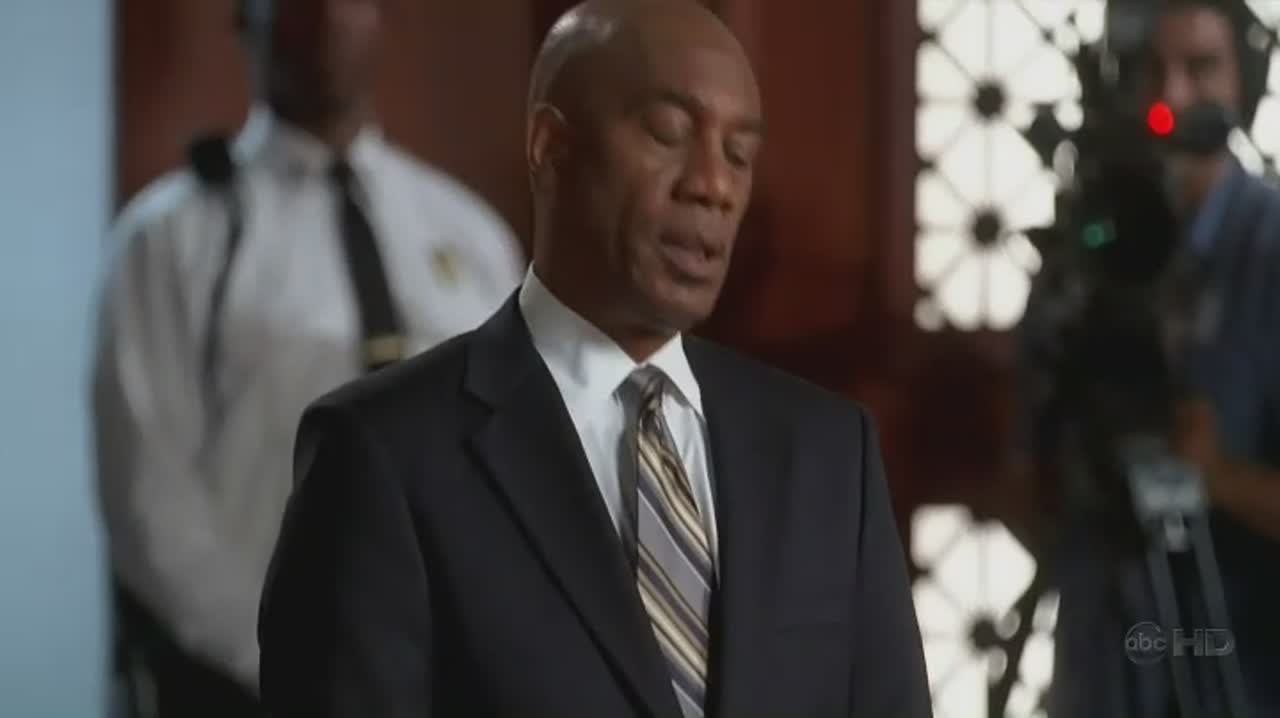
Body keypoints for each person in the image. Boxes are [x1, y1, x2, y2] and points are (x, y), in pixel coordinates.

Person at [256, 1, 934, 716]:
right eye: (668, 132)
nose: (712, 184)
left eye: (739, 154)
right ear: (550, 144)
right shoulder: (384, 455)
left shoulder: (828, 454)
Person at [91, 0, 524, 715]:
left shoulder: (470, 236)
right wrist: (291, 660)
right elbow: (149, 498)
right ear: (247, 22)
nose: (325, 18)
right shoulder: (171, 238)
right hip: (243, 685)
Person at [1012, 2, 1280, 716]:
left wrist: (1220, 478)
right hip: (1101, 667)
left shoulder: (1269, 250)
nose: (1173, 96)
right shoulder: (1085, 243)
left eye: (1201, 68)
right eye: (1151, 71)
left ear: (1247, 83)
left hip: (1240, 671)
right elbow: (1025, 469)